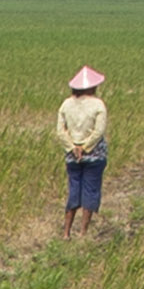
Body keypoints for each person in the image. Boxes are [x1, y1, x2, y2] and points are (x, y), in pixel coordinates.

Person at [53, 65, 110, 230]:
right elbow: (99, 131)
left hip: (72, 156)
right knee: (90, 190)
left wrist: (73, 147)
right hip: (95, 155)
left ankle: (66, 232)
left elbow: (60, 131)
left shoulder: (66, 104)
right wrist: (85, 147)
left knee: (74, 189)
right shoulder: (98, 104)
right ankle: (83, 231)